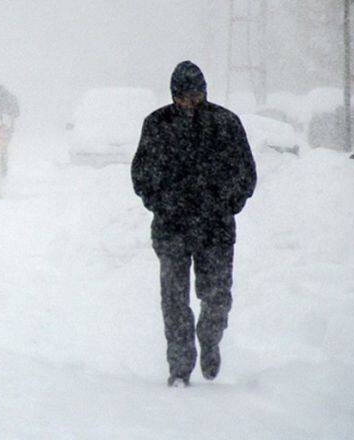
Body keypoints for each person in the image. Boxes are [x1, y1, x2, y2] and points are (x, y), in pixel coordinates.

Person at [131, 61, 257, 387]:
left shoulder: (225, 124)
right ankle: (179, 366)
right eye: (184, 97)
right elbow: (142, 174)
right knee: (174, 300)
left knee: (217, 297)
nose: (190, 103)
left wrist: (228, 203)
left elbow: (246, 173)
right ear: (174, 96)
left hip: (215, 229)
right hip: (172, 228)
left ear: (205, 92)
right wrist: (160, 203)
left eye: (196, 95)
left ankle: (210, 337)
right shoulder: (157, 125)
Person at [0, 85, 20, 174]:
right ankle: (3, 167)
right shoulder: (12, 98)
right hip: (7, 128)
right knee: (3, 148)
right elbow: (17, 113)